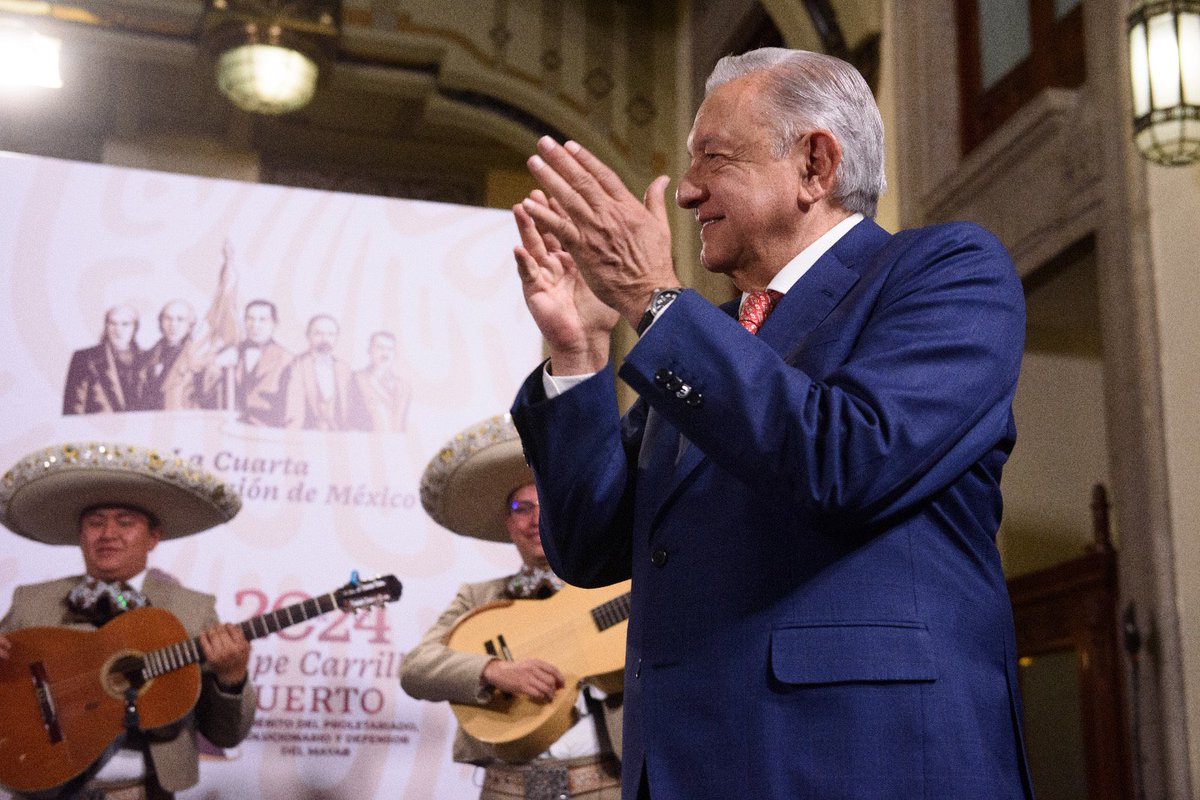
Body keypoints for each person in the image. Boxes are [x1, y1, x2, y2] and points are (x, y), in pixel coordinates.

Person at [507, 48, 1034, 799]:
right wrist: (578, 350)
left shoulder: (948, 271)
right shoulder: (705, 337)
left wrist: (656, 303)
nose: (686, 193)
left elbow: (848, 457)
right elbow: (592, 546)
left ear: (815, 166)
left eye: (712, 160)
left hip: (857, 762)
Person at [0, 441, 256, 800]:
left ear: (153, 537)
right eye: (95, 522)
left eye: (125, 522)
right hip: (45, 788)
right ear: (80, 534)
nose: (108, 534)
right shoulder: (31, 603)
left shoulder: (191, 611)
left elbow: (228, 735)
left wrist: (231, 679)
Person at [402, 415, 623, 800]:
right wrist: (495, 670)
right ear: (507, 522)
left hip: (605, 786)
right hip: (507, 790)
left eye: (547, 505)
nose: (535, 520)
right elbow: (415, 668)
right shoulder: (478, 597)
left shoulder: (614, 582)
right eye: (522, 507)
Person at [202, 299, 291, 426]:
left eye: (263, 320)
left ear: (275, 324)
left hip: (268, 432)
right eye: (250, 319)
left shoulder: (287, 359)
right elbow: (205, 395)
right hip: (228, 430)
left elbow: (291, 407)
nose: (255, 325)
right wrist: (215, 366)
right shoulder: (228, 352)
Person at [63, 304, 142, 414]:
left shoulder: (147, 359)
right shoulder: (84, 358)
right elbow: (74, 408)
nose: (118, 330)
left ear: (135, 327)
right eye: (113, 323)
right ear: (106, 326)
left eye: (125, 324)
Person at [282, 314, 354, 431]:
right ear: (307, 335)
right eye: (318, 333)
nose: (325, 339)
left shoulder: (344, 369)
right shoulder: (296, 366)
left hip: (338, 437)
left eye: (331, 334)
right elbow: (293, 410)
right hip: (305, 436)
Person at [134, 299, 201, 411]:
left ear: (190, 325)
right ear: (160, 322)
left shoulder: (199, 357)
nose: (173, 325)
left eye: (180, 319)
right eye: (168, 319)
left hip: (183, 422)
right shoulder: (147, 357)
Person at [346, 331, 411, 432]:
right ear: (369, 351)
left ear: (395, 354)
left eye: (390, 349)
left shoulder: (403, 386)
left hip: (397, 444)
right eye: (380, 348)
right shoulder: (356, 379)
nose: (385, 353)